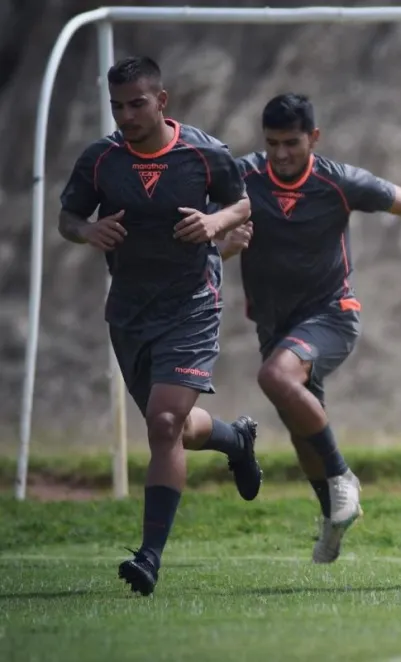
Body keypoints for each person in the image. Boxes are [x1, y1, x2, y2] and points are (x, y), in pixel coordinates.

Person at [216, 93, 401, 564]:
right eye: (273, 143)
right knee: (301, 430)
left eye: (292, 143)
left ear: (314, 138)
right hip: (273, 323)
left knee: (275, 379)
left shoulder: (337, 181)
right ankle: (332, 520)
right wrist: (225, 243)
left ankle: (343, 478)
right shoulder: (242, 178)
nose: (281, 154)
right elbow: (208, 236)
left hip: (331, 315)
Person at [58, 56, 263, 596]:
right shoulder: (101, 160)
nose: (126, 115)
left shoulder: (204, 152)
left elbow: (241, 203)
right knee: (170, 424)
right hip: (129, 311)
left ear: (162, 101)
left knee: (165, 423)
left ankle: (149, 556)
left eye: (137, 104)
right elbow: (68, 218)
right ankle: (235, 439)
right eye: (117, 106)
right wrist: (88, 231)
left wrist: (216, 221)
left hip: (192, 303)